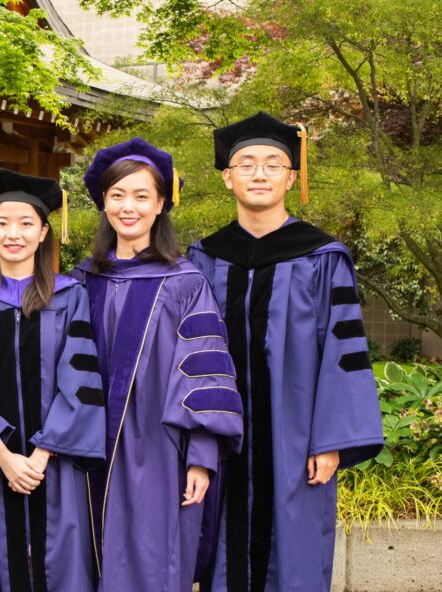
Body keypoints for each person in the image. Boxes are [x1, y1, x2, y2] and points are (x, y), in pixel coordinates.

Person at [187, 112, 384, 592]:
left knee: (293, 552)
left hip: (296, 438)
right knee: (220, 551)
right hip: (222, 436)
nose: (259, 173)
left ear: (292, 177)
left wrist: (331, 439)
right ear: (227, 177)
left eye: (273, 164)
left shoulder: (322, 257)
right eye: (247, 164)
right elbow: (184, 358)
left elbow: (344, 350)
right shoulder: (202, 258)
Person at [68, 138, 245, 592]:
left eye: (142, 196)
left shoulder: (186, 284)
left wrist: (202, 459)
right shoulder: (79, 282)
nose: (129, 207)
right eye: (118, 195)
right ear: (103, 202)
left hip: (158, 453)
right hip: (83, 448)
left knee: (152, 562)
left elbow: (208, 376)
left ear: (161, 203)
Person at [0, 168, 106, 591]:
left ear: (43, 232)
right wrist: (3, 456)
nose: (12, 233)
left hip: (54, 464)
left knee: (63, 565)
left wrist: (39, 456)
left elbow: (81, 379)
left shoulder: (71, 296)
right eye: (1, 223)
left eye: (25, 223)